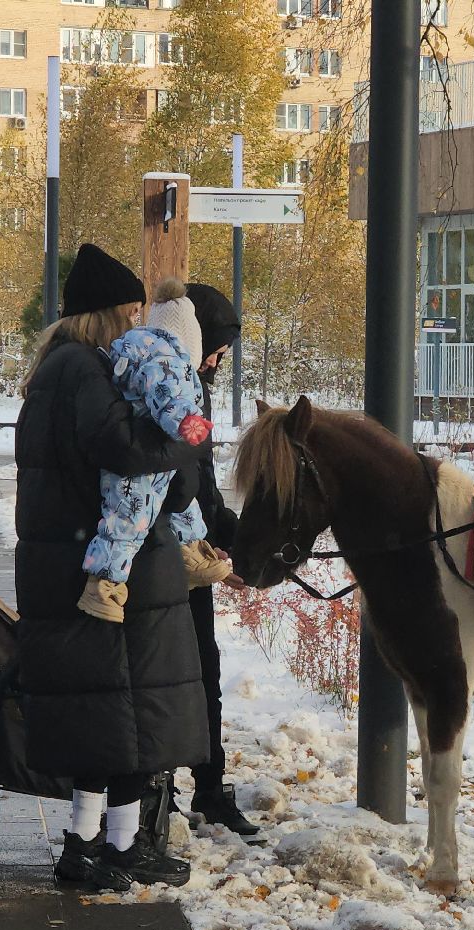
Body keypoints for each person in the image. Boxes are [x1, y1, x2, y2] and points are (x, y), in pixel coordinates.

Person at [16, 242, 208, 892]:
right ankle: (96, 847)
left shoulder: (63, 368)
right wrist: (182, 436)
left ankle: (104, 844)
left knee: (116, 721)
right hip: (90, 566)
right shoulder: (80, 370)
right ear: (102, 314)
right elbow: (122, 448)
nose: (135, 326)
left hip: (78, 557)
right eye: (128, 312)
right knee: (115, 719)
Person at [76, 279, 231, 622]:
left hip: (159, 455)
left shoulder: (150, 351)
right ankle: (104, 584)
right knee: (126, 521)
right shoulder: (165, 359)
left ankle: (192, 554)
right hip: (142, 466)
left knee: (183, 507)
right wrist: (190, 426)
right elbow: (168, 399)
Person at [178, 280, 259, 839]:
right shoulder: (181, 390)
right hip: (178, 554)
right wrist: (219, 535)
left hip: (193, 547)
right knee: (197, 668)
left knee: (205, 667)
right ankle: (203, 786)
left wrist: (231, 531)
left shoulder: (195, 388)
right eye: (219, 345)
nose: (222, 356)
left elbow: (201, 478)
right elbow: (187, 480)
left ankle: (209, 783)